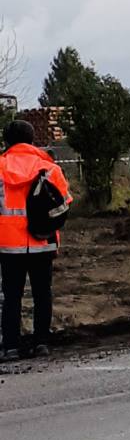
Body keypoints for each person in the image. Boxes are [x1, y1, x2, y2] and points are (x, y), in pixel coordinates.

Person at [0, 119, 73, 360]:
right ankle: (41, 342)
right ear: (32, 140)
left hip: (8, 244)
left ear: (6, 140)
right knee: (43, 293)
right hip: (43, 240)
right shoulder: (50, 168)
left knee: (11, 296)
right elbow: (65, 202)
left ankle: (10, 346)